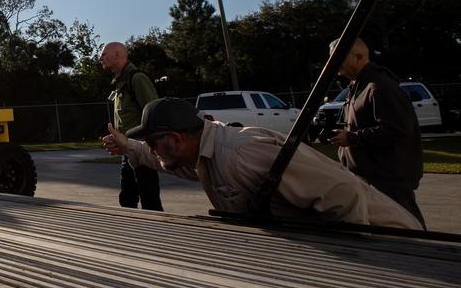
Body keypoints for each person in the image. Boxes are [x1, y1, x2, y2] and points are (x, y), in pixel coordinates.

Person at [101, 97, 422, 230]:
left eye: (154, 143)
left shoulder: (243, 154)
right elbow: (160, 162)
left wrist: (351, 266)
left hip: (395, 242)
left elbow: (345, 194)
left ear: (176, 139)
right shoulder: (202, 155)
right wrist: (129, 146)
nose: (153, 151)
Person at [327, 38, 425, 226]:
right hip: (370, 177)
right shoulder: (358, 87)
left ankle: (433, 255)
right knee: (390, 235)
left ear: (359, 57)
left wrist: (352, 137)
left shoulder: (380, 86)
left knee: (409, 229)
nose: (333, 62)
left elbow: (396, 130)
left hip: (388, 180)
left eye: (338, 56)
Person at [99, 41, 162, 211]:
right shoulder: (121, 83)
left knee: (150, 202)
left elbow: (154, 114)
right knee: (127, 200)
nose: (100, 58)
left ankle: (160, 233)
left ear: (118, 54)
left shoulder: (137, 79)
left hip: (141, 151)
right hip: (127, 151)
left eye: (104, 54)